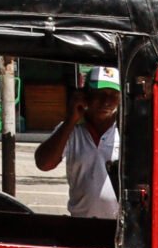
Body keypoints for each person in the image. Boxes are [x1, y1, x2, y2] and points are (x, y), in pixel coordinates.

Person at [34, 67, 121, 219]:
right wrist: (71, 119)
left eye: (113, 95)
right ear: (85, 94)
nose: (106, 102)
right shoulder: (71, 129)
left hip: (118, 228)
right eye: (100, 94)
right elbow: (44, 164)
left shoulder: (125, 131)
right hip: (80, 224)